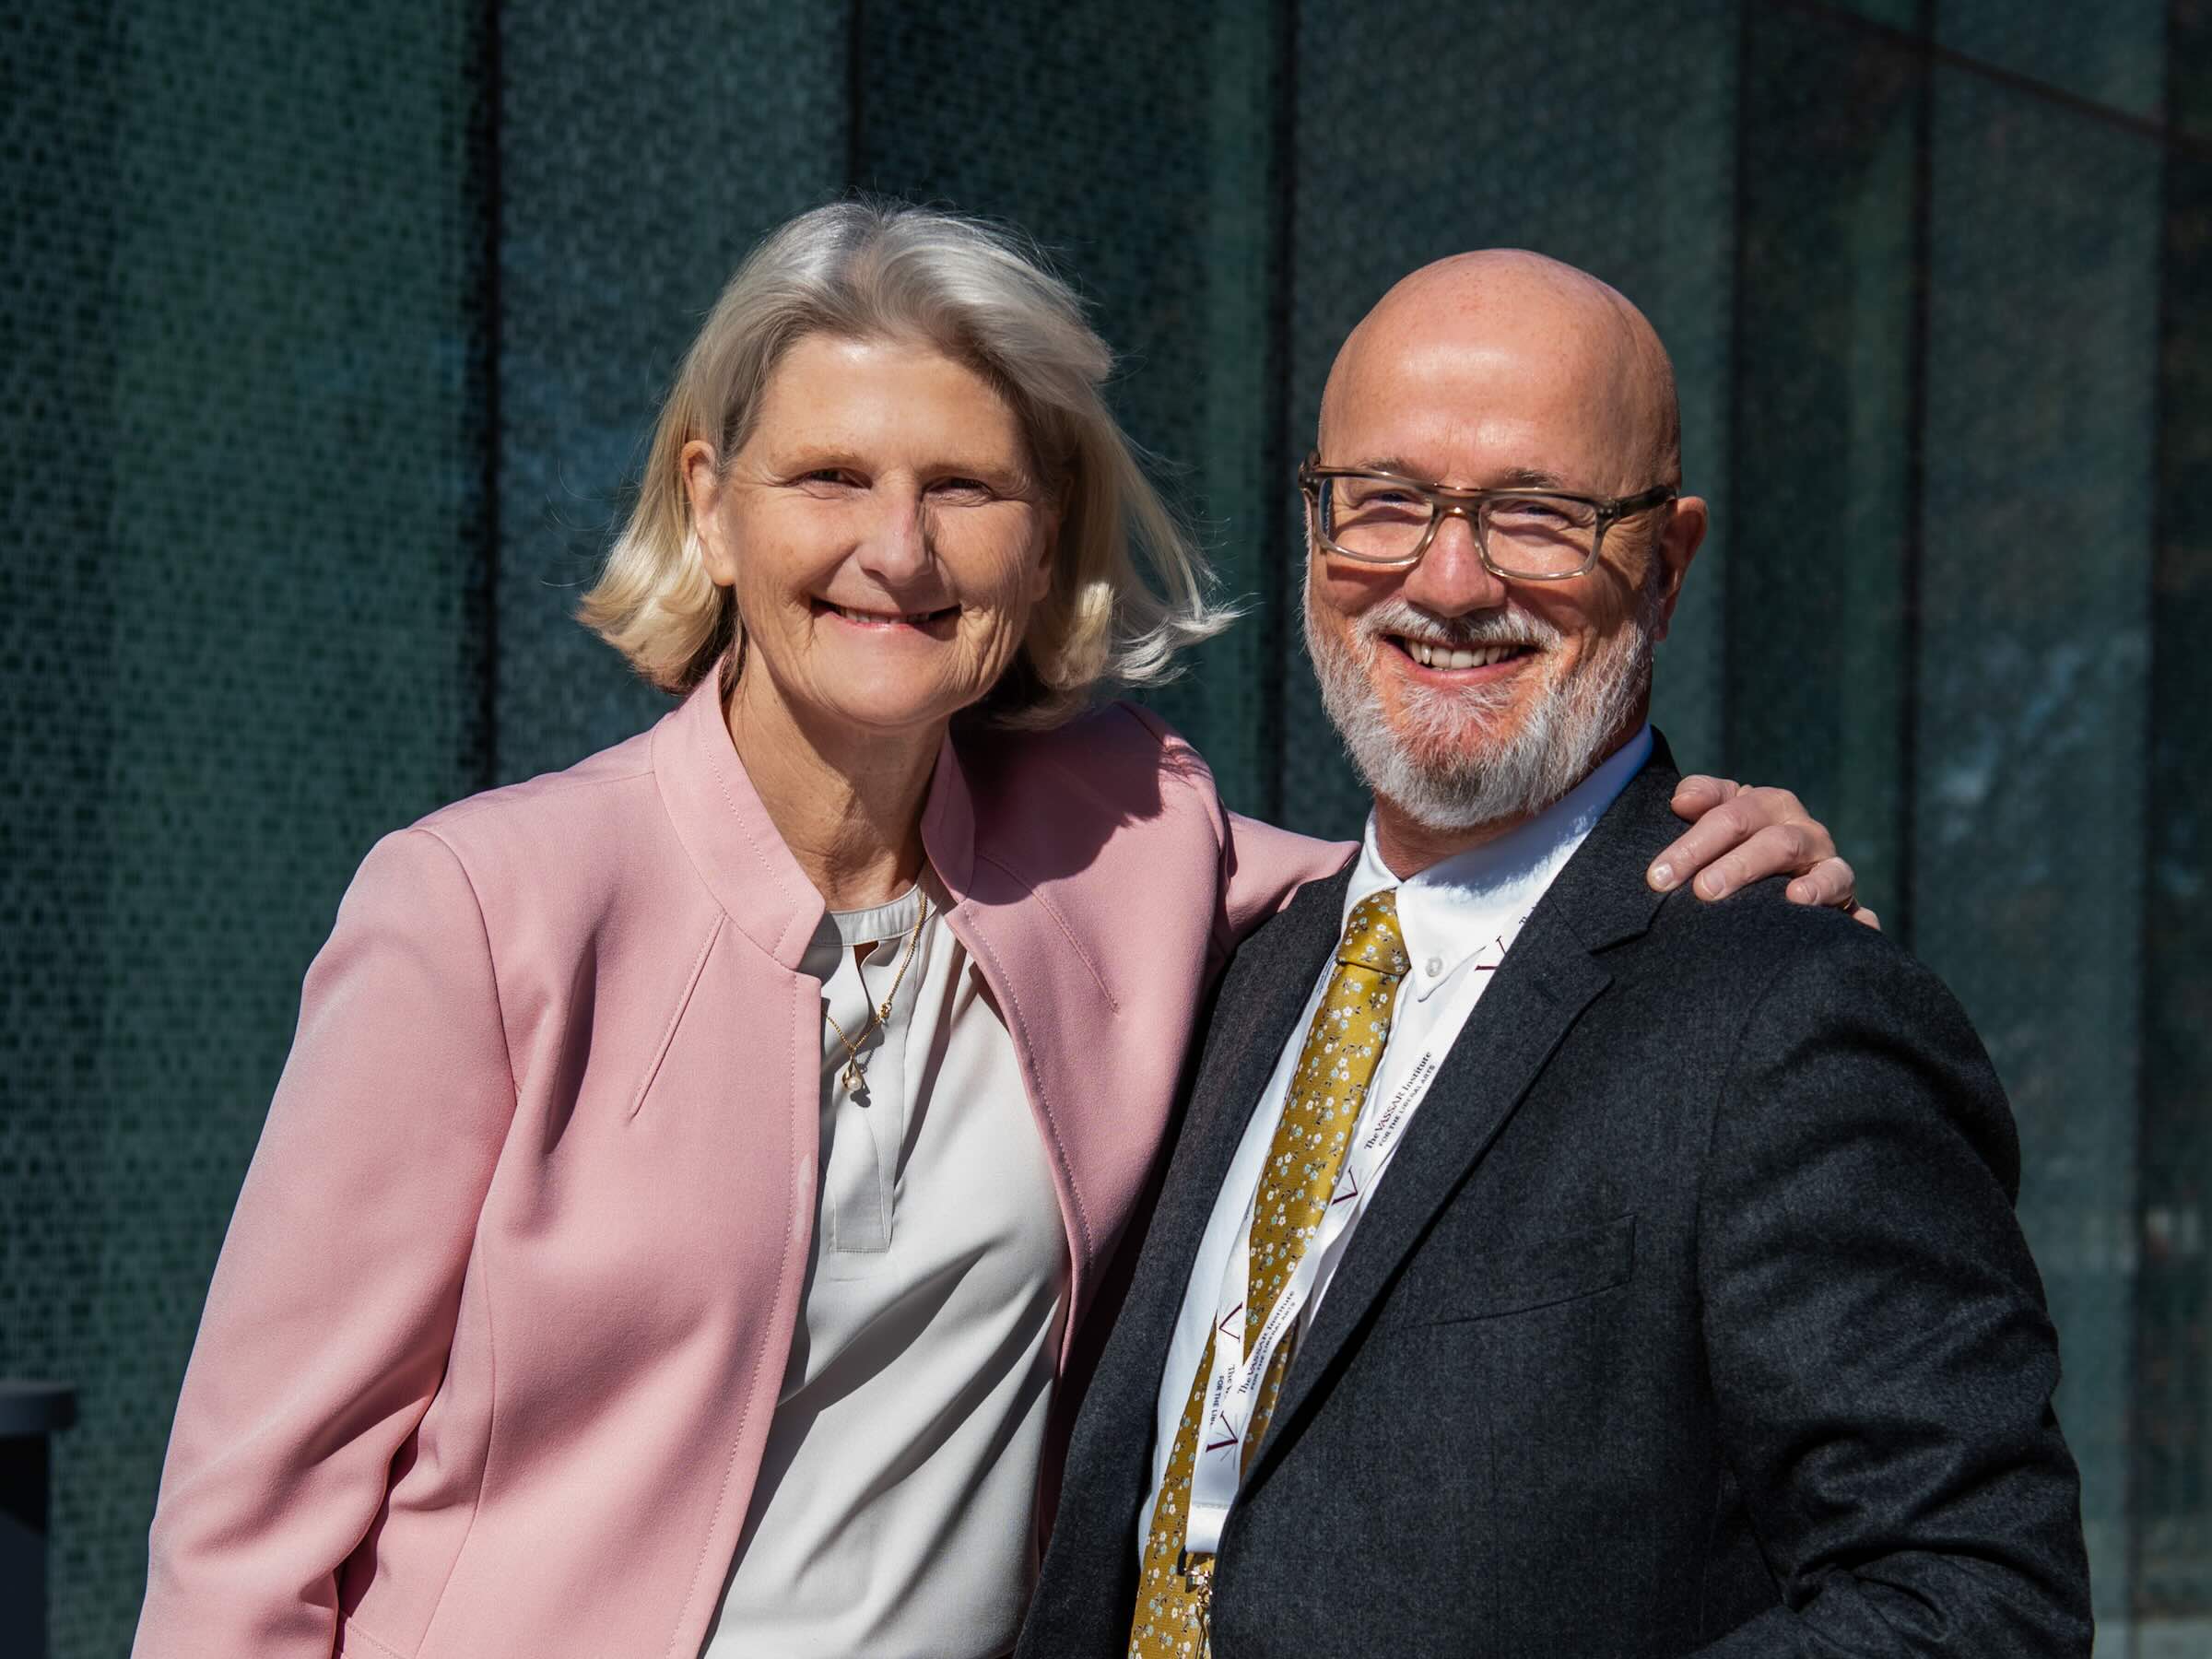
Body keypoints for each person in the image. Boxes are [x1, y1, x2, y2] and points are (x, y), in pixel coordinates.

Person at [132, 206, 1862, 1659]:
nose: (897, 550)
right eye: (830, 475)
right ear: (712, 497)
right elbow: (249, 1527)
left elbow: (1458, 895)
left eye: (964, 486)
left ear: (1043, 544)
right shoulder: (480, 911)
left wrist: (1691, 835)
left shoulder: (1126, 842)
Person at [1019, 250, 2091, 1657]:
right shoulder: (1231, 969)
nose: (1449, 580)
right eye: (1387, 503)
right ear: (1314, 522)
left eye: (1537, 515)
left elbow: (1973, 1599)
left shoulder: (1791, 1014)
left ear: (1668, 563)